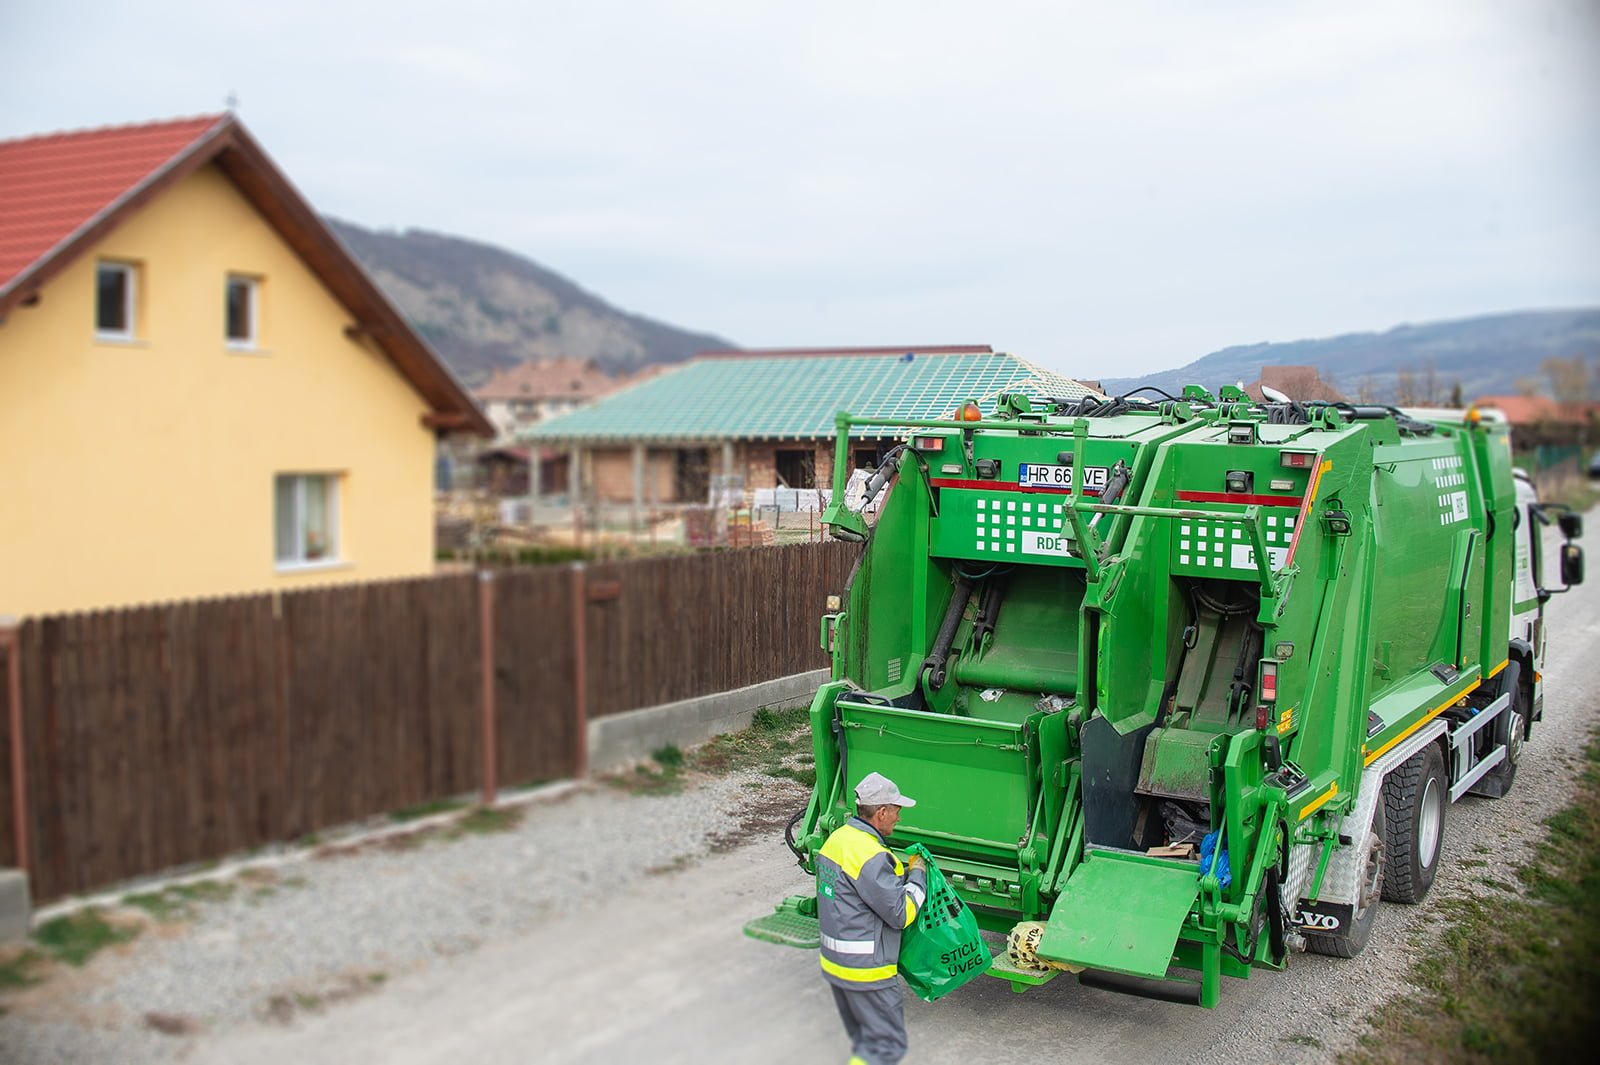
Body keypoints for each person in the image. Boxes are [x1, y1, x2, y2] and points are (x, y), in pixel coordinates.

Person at [816, 772, 928, 1065]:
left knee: (866, 1045)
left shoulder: (837, 840)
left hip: (836, 965)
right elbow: (901, 913)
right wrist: (917, 875)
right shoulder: (872, 855)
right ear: (881, 812)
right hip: (867, 973)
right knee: (884, 1047)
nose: (898, 818)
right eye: (896, 811)